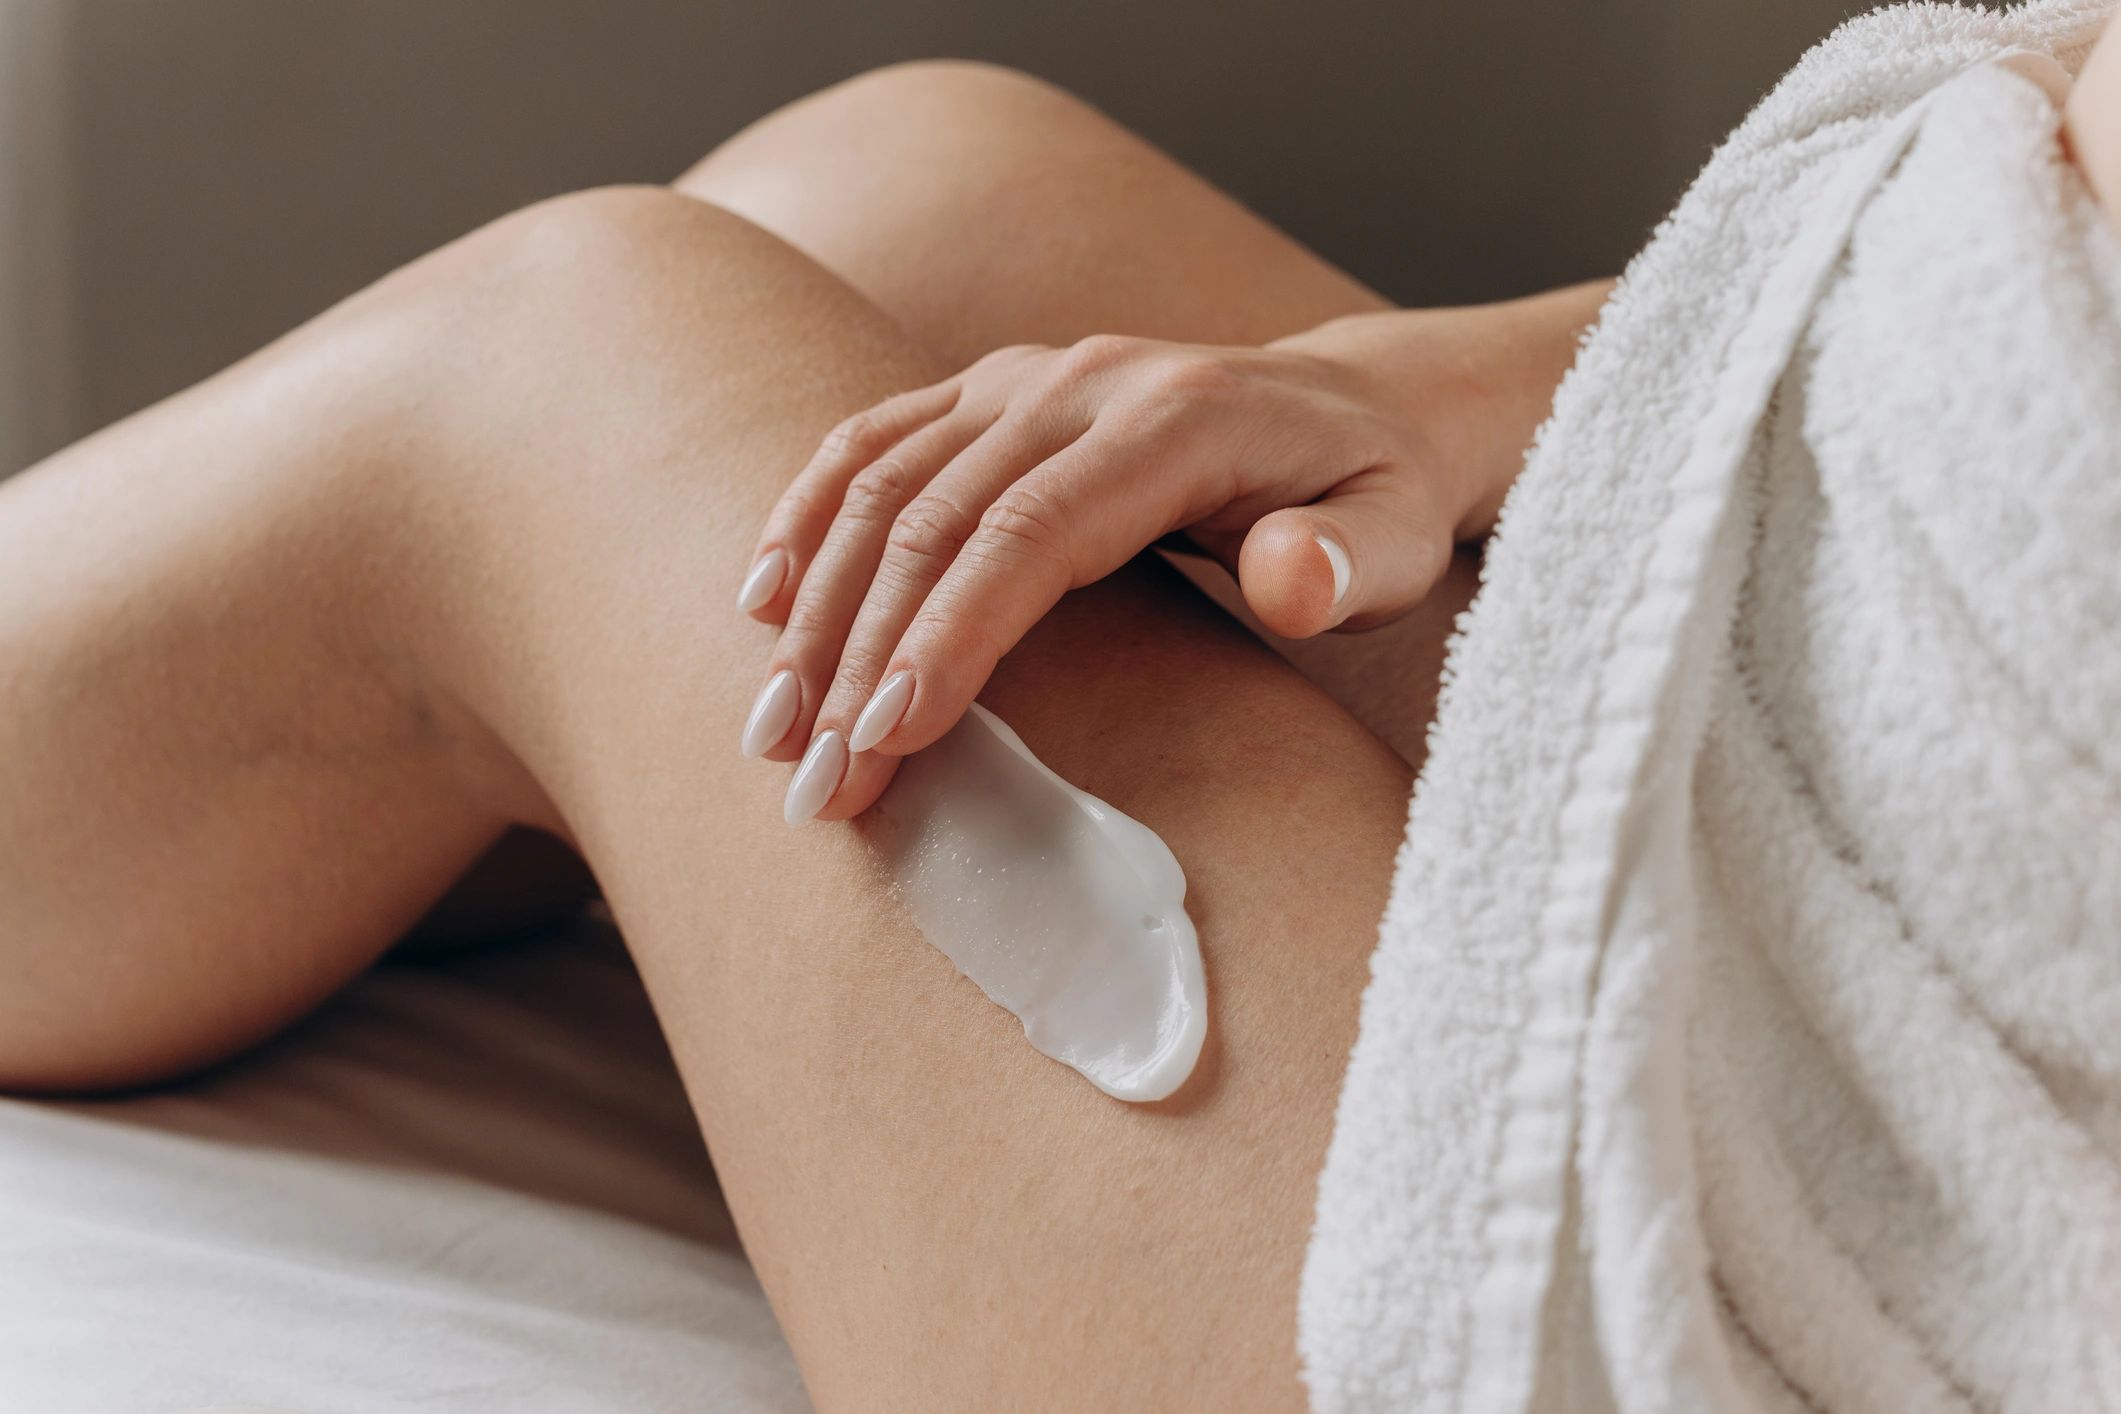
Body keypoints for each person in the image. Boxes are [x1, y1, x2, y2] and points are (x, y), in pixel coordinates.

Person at [5, 16, 2119, 1408]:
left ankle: (493, 679)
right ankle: (536, 766)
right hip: (1887, 704)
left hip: (1823, 1252)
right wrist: (1490, 378)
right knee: (919, 192)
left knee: (551, 367)